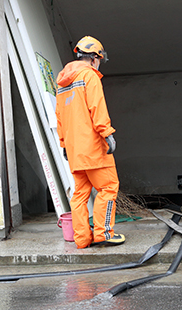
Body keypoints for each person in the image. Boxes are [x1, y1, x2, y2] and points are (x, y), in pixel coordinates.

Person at [55, 36, 125, 249]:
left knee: (80, 193)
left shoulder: (63, 82)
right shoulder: (89, 76)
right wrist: (107, 133)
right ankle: (104, 233)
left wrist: (64, 144)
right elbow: (97, 108)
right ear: (95, 58)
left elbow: (60, 117)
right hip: (93, 148)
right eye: (99, 60)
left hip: (75, 150)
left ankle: (82, 238)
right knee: (108, 187)